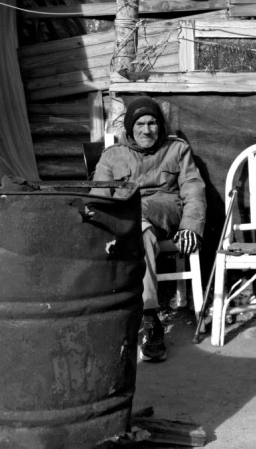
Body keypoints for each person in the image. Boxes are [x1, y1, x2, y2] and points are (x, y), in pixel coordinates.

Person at [92, 97, 206, 362]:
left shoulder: (177, 150)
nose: (147, 130)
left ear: (160, 125)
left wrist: (191, 226)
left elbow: (194, 190)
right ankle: (150, 317)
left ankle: (138, 316)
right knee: (140, 231)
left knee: (135, 212)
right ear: (130, 128)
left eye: (152, 123)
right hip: (135, 224)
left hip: (166, 211)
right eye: (140, 124)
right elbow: (98, 196)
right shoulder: (112, 156)